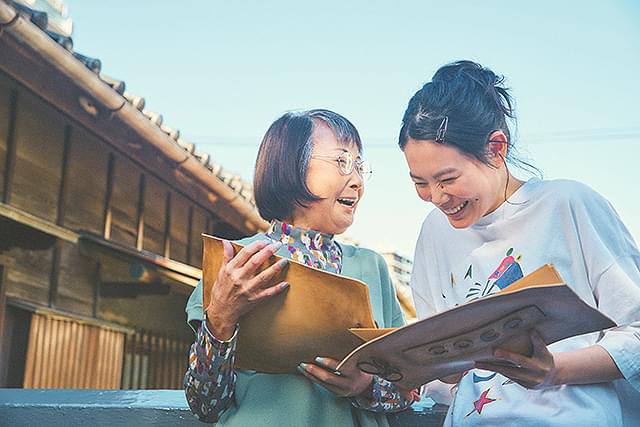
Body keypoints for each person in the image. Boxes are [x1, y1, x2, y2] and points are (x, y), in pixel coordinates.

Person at [398, 60, 640, 426]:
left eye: (447, 178)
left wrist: (555, 370)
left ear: (496, 148)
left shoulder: (567, 204)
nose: (436, 197)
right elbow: (441, 368)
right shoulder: (434, 232)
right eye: (420, 183)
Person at [184, 109, 416, 426]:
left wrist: (364, 385)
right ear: (291, 166)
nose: (358, 181)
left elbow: (409, 389)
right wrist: (221, 316)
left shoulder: (372, 267)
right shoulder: (236, 262)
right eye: (343, 162)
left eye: (360, 166)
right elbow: (204, 403)